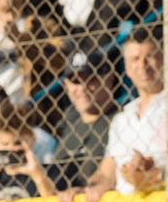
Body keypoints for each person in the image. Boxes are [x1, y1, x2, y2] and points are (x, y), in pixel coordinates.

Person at [74, 28, 168, 202]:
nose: (142, 65)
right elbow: (106, 172)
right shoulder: (122, 119)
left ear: (165, 60)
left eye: (149, 56)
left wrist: (150, 171)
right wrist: (89, 189)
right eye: (135, 59)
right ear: (126, 67)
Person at [49, 52, 119, 191]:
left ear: (109, 79)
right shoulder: (68, 126)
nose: (82, 88)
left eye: (91, 79)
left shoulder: (123, 120)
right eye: (75, 81)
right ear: (66, 85)